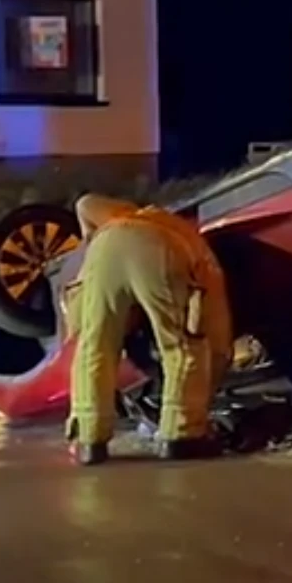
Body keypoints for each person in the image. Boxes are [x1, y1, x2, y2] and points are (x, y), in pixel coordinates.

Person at [64, 194, 234, 465]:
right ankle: (181, 437)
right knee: (181, 346)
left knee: (95, 346)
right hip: (158, 250)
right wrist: (210, 387)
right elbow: (214, 339)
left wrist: (90, 241)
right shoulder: (200, 255)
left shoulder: (125, 214)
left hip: (104, 249)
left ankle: (87, 440)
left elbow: (83, 203)